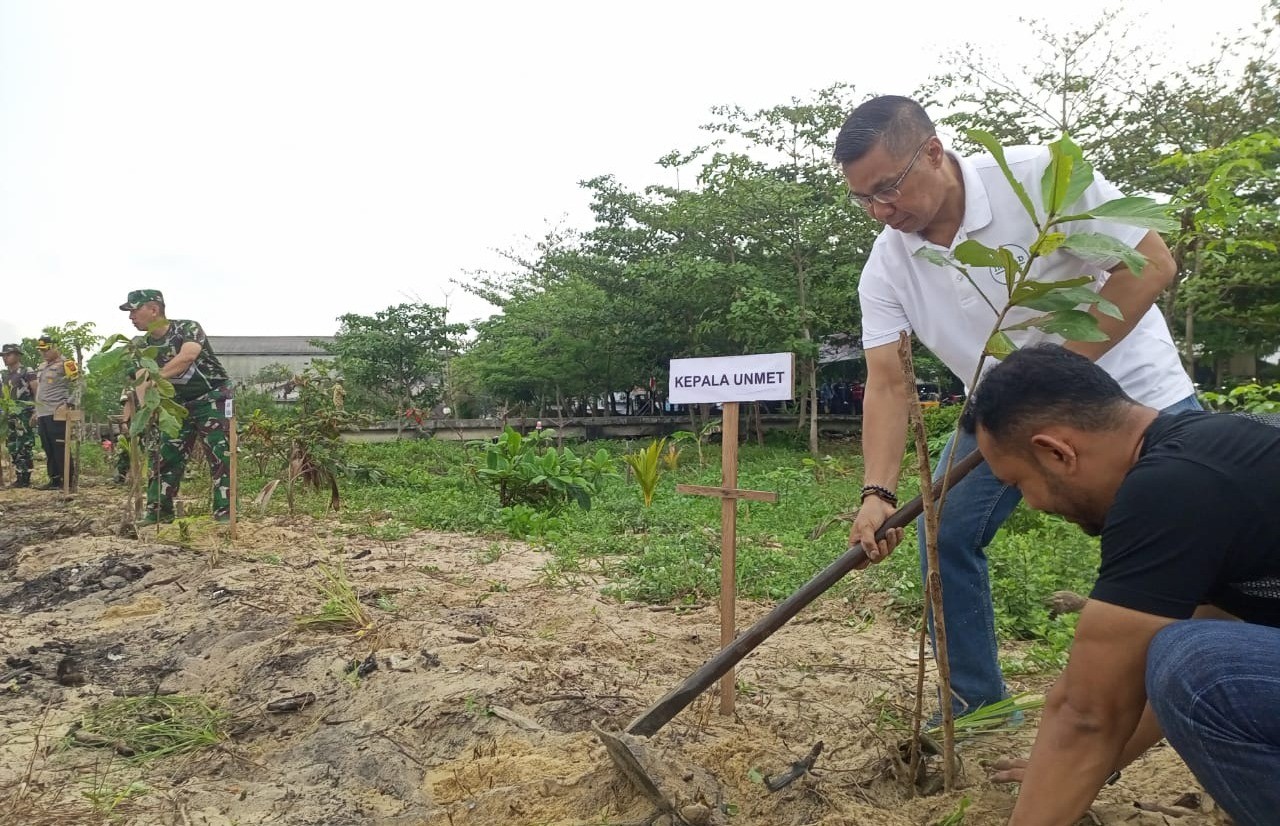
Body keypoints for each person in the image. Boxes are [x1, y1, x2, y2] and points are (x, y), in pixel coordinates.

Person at [835, 95, 1199, 719]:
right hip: (1004, 413)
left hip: (1133, 396)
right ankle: (975, 701)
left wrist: (1053, 381)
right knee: (943, 528)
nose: (880, 211)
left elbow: (1151, 265)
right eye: (863, 199)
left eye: (888, 189)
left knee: (1193, 538)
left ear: (933, 152)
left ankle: (1196, 697)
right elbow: (889, 383)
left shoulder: (1038, 180)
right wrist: (878, 491)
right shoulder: (889, 264)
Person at [951, 344, 1280, 826]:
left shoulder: (1168, 488)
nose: (1033, 504)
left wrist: (1070, 762)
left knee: (1194, 660)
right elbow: (1160, 657)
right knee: (1187, 652)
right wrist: (1073, 772)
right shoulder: (1216, 448)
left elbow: (1088, 713)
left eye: (1019, 483)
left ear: (1056, 452)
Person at [119, 289, 232, 524]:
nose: (130, 317)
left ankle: (225, 515)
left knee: (221, 455)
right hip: (175, 405)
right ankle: (158, 512)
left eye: (134, 310)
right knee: (164, 455)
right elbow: (140, 378)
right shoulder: (141, 345)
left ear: (153, 309)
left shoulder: (187, 328)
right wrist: (143, 410)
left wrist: (156, 379)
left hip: (213, 398)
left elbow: (187, 357)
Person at [32, 336, 78, 489]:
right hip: (42, 413)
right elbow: (39, 390)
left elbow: (80, 385)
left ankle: (68, 481)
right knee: (48, 447)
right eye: (41, 350)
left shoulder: (67, 364)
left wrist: (69, 404)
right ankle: (55, 480)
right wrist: (35, 410)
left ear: (55, 347)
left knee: (60, 447)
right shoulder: (42, 366)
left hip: (57, 411)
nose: (43, 353)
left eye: (46, 349)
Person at [2, 343, 38, 487]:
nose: (5, 358)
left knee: (25, 445)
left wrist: (36, 410)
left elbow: (36, 390)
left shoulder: (26, 371)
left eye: (8, 355)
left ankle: (25, 478)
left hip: (24, 413)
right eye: (4, 355)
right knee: (12, 446)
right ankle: (19, 476)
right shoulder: (5, 375)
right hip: (9, 414)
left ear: (17, 355)